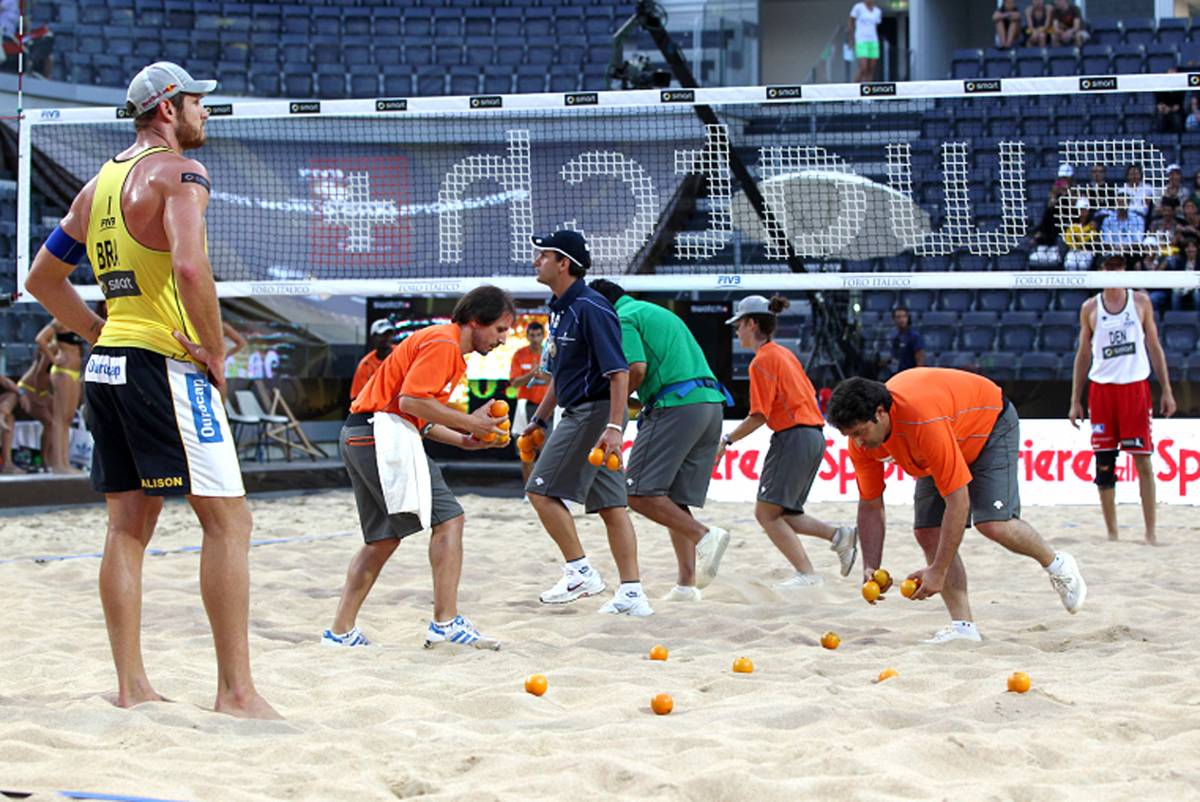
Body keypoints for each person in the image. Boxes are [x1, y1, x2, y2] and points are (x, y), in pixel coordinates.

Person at [22, 62, 278, 718]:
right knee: (230, 521)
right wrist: (215, 349)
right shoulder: (181, 172)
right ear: (167, 107)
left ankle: (131, 685)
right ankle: (236, 693)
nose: (206, 114)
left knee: (127, 528)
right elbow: (191, 266)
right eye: (198, 103)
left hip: (109, 365)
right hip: (161, 364)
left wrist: (98, 329)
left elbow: (42, 280)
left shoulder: (97, 186)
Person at [828, 370, 1087, 644]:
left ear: (880, 413)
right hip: (944, 437)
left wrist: (938, 571)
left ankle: (1057, 564)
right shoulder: (863, 443)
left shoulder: (923, 420)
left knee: (993, 523)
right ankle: (963, 628)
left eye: (860, 432)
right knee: (927, 530)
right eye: (850, 435)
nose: (858, 442)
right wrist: (871, 567)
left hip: (989, 425)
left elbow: (958, 500)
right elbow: (870, 503)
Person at [323, 285, 513, 650]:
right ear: (476, 320)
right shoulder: (444, 344)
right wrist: (471, 423)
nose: (503, 340)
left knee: (381, 540)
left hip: (361, 435)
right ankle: (445, 622)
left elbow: (419, 416)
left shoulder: (444, 346)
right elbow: (412, 401)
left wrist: (465, 440)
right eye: (500, 330)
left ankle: (340, 632)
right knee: (450, 519)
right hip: (379, 436)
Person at [519, 230, 652, 617]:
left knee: (540, 491)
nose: (535, 261)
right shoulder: (558, 307)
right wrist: (541, 418)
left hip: (593, 413)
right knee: (612, 506)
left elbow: (619, 372)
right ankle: (632, 594)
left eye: (543, 255)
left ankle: (579, 571)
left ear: (564, 263)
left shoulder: (592, 307)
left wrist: (614, 427)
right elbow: (560, 374)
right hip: (579, 409)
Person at [589, 279, 732, 602]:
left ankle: (704, 536)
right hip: (710, 405)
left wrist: (615, 412)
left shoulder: (621, 318)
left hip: (676, 404)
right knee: (674, 499)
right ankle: (686, 585)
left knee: (638, 492)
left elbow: (635, 369)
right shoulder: (654, 312)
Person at [718, 295, 857, 588]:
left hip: (793, 436)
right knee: (784, 512)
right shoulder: (783, 353)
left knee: (765, 513)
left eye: (739, 325)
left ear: (752, 323)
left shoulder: (762, 361)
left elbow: (758, 416)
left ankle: (807, 574)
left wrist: (727, 440)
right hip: (812, 436)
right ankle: (838, 536)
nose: (737, 331)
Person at [1069, 254, 1176, 545]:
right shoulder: (1090, 307)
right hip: (1102, 390)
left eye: (1118, 267)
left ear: (1125, 270)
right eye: (1108, 267)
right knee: (1104, 465)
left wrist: (1166, 388)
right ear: (1101, 271)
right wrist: (1075, 399)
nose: (1114, 272)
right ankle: (1112, 534)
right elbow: (1083, 355)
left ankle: (1150, 533)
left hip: (1134, 389)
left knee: (1143, 462)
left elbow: (1154, 346)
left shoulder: (1140, 302)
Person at [35, 319, 84, 474]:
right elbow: (40, 339)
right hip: (63, 372)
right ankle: (58, 464)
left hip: (75, 372)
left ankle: (65, 462)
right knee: (60, 419)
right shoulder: (59, 321)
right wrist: (53, 358)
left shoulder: (75, 320)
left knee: (68, 418)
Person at [507, 319, 552, 486]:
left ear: (543, 336)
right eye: (532, 335)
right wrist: (531, 374)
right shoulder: (520, 354)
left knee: (547, 449)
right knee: (526, 448)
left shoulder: (549, 354)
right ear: (527, 336)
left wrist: (543, 376)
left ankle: (544, 487)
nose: (535, 338)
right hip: (527, 406)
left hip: (547, 407)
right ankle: (528, 489)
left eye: (538, 335)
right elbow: (514, 382)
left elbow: (557, 380)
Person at [350, 318, 395, 402]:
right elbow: (357, 397)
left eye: (389, 334)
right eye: (382, 334)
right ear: (373, 337)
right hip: (376, 409)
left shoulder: (402, 354)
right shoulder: (365, 364)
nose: (387, 338)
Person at [848, 0, 883, 84]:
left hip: (873, 41)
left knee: (871, 68)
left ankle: (868, 91)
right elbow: (850, 22)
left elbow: (875, 24)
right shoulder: (858, 7)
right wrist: (851, 38)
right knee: (863, 68)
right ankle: (854, 89)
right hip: (861, 40)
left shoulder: (877, 11)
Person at [890, 306, 925, 373]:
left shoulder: (914, 336)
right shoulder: (896, 337)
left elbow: (920, 355)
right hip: (899, 372)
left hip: (910, 373)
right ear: (894, 319)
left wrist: (918, 373)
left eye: (904, 316)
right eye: (898, 317)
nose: (902, 319)